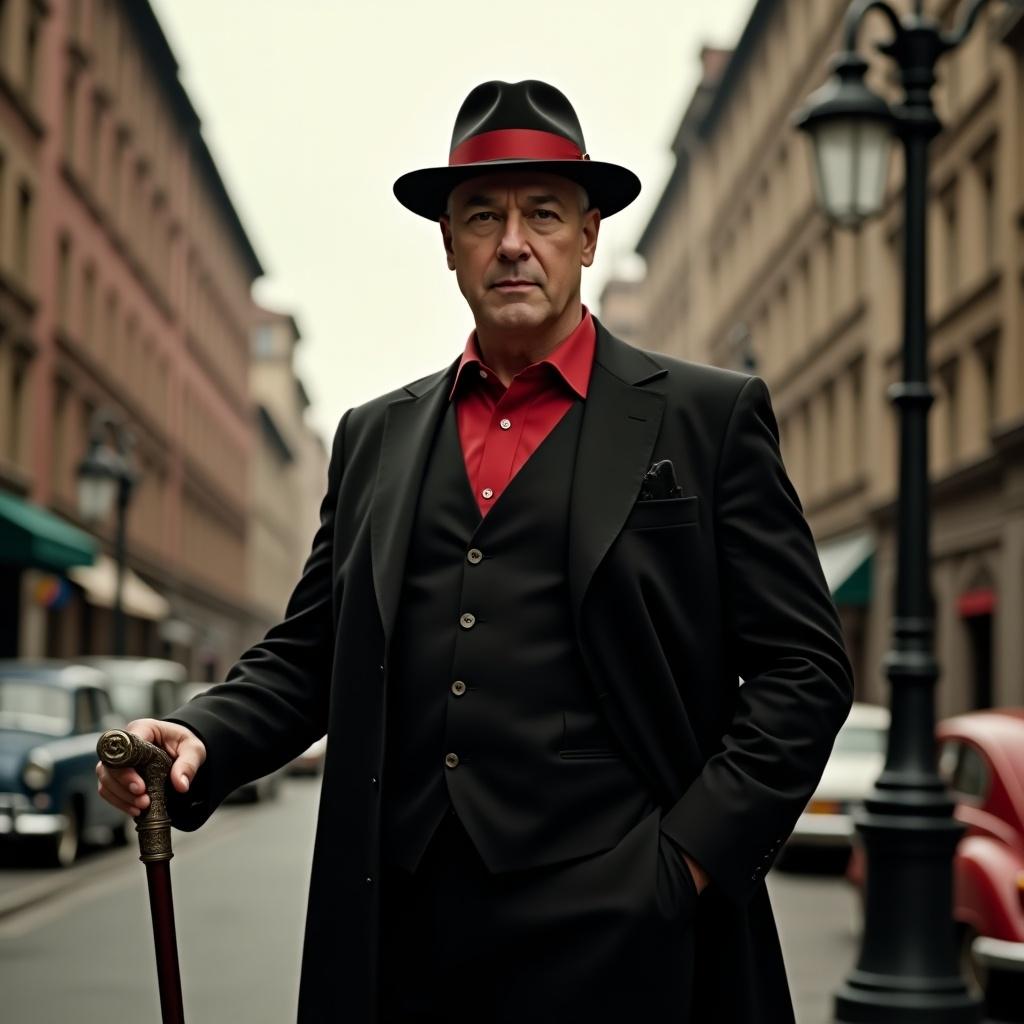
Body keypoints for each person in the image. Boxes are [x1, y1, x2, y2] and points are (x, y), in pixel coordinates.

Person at [97, 79, 853, 1023]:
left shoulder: (707, 417)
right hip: (405, 931)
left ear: (588, 235)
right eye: (482, 214)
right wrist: (202, 734)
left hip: (629, 938)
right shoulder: (374, 436)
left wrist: (685, 864)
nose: (512, 241)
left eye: (543, 213)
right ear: (449, 245)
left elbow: (804, 670)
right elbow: (312, 653)